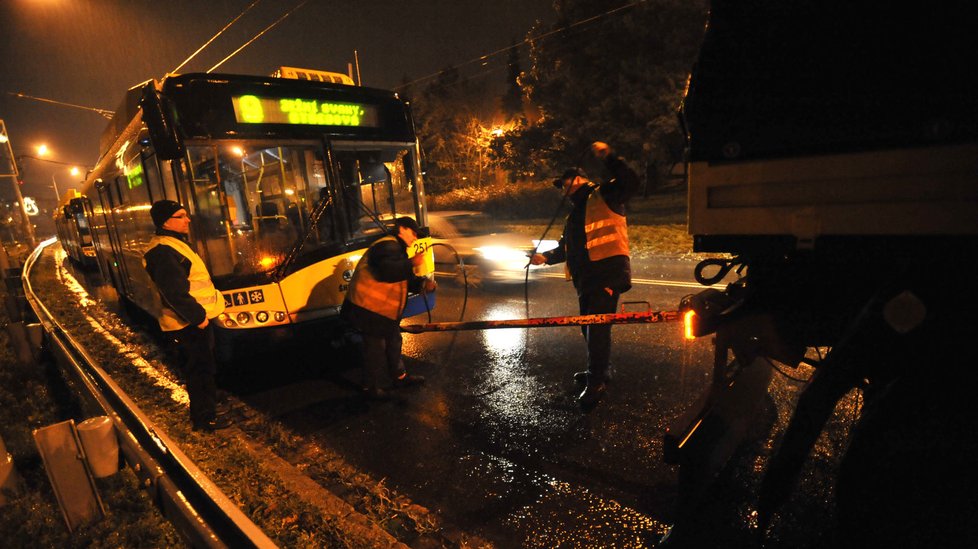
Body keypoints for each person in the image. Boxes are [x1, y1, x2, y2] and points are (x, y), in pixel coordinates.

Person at [530, 141, 640, 408]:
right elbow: (566, 247)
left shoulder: (605, 195)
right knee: (589, 329)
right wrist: (545, 257)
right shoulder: (575, 213)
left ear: (579, 179)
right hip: (586, 280)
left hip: (606, 275)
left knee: (597, 329)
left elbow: (631, 182)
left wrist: (609, 156)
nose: (563, 190)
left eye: (566, 183)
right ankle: (599, 371)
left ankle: (597, 382)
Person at [143, 200, 231, 432]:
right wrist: (198, 317)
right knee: (199, 372)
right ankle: (205, 420)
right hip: (188, 324)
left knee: (204, 369)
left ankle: (208, 410)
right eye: (181, 216)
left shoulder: (173, 244)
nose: (187, 220)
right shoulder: (163, 251)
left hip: (192, 322)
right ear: (166, 222)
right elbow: (174, 292)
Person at [341, 216, 437, 400]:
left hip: (383, 312)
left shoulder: (397, 251)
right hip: (368, 309)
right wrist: (412, 263)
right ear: (402, 229)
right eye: (413, 232)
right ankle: (370, 389)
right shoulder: (386, 246)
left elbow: (404, 278)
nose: (415, 238)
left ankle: (400, 377)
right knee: (375, 350)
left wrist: (423, 284)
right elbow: (387, 271)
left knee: (394, 343)